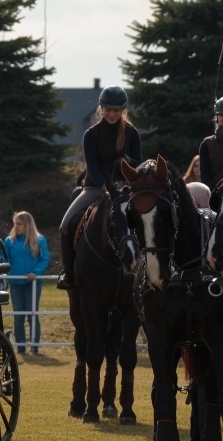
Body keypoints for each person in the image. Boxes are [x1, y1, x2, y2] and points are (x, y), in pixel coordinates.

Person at [57, 85, 142, 290]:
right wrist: (105, 186)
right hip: (95, 186)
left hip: (126, 188)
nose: (112, 114)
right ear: (101, 108)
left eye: (116, 110)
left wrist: (126, 169)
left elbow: (138, 163)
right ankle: (68, 271)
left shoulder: (132, 133)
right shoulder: (91, 134)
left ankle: (147, 267)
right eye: (108, 109)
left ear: (123, 110)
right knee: (66, 224)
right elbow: (92, 167)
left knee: (147, 219)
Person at [4, 212, 50, 354]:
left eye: (19, 224)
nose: (16, 227)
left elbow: (45, 259)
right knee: (18, 316)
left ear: (27, 225)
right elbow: (5, 260)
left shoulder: (39, 240)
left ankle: (34, 348)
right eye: (15, 223)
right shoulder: (9, 241)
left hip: (33, 284)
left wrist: (35, 272)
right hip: (15, 283)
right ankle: (21, 348)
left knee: (32, 314)